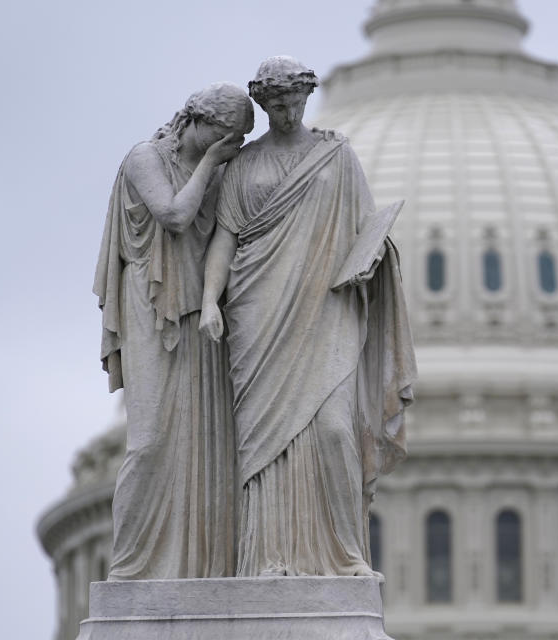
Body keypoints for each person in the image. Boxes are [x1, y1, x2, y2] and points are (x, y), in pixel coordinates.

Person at [200, 57, 416, 577]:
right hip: (257, 312)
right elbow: (224, 239)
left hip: (327, 306)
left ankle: (344, 555)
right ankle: (268, 558)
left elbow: (366, 228)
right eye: (276, 105)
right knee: (263, 445)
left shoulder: (336, 157)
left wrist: (370, 260)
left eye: (294, 101)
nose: (287, 111)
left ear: (306, 98)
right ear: (263, 105)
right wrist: (210, 301)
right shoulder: (244, 165)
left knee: (335, 430)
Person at [93, 82, 254, 580]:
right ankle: (133, 567)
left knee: (204, 443)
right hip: (152, 303)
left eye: (240, 141)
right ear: (195, 121)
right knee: (150, 441)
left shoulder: (224, 170)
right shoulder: (146, 157)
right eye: (225, 136)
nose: (231, 149)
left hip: (201, 316)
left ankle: (200, 568)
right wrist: (212, 164)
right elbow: (175, 215)